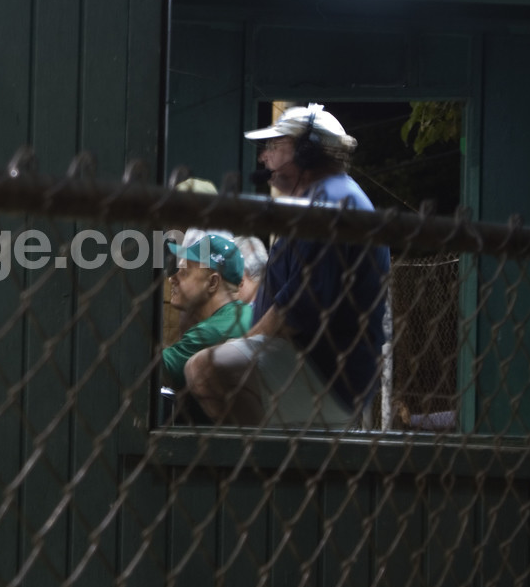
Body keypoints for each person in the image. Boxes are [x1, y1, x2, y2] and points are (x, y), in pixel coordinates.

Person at [185, 104, 390, 428]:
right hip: (325, 370)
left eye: (274, 146)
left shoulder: (330, 202)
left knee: (203, 368)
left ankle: (264, 455)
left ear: (306, 152)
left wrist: (243, 341)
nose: (264, 157)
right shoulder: (328, 196)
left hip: (324, 373)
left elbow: (297, 309)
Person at [161, 233, 250, 393]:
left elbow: (153, 370)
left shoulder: (213, 331)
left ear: (213, 282)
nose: (172, 278)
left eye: (184, 271)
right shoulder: (245, 313)